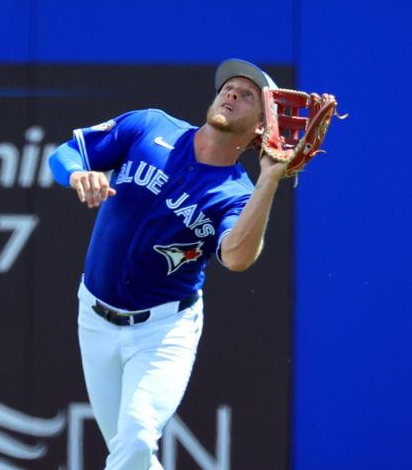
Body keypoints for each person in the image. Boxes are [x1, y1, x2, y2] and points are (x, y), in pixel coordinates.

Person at [48, 59, 292, 469]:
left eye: (247, 95)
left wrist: (268, 180)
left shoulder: (236, 193)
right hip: (94, 316)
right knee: (131, 456)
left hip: (163, 332)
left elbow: (236, 257)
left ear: (261, 130)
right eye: (228, 87)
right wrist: (76, 175)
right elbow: (66, 153)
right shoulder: (149, 126)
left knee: (138, 437)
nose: (231, 93)